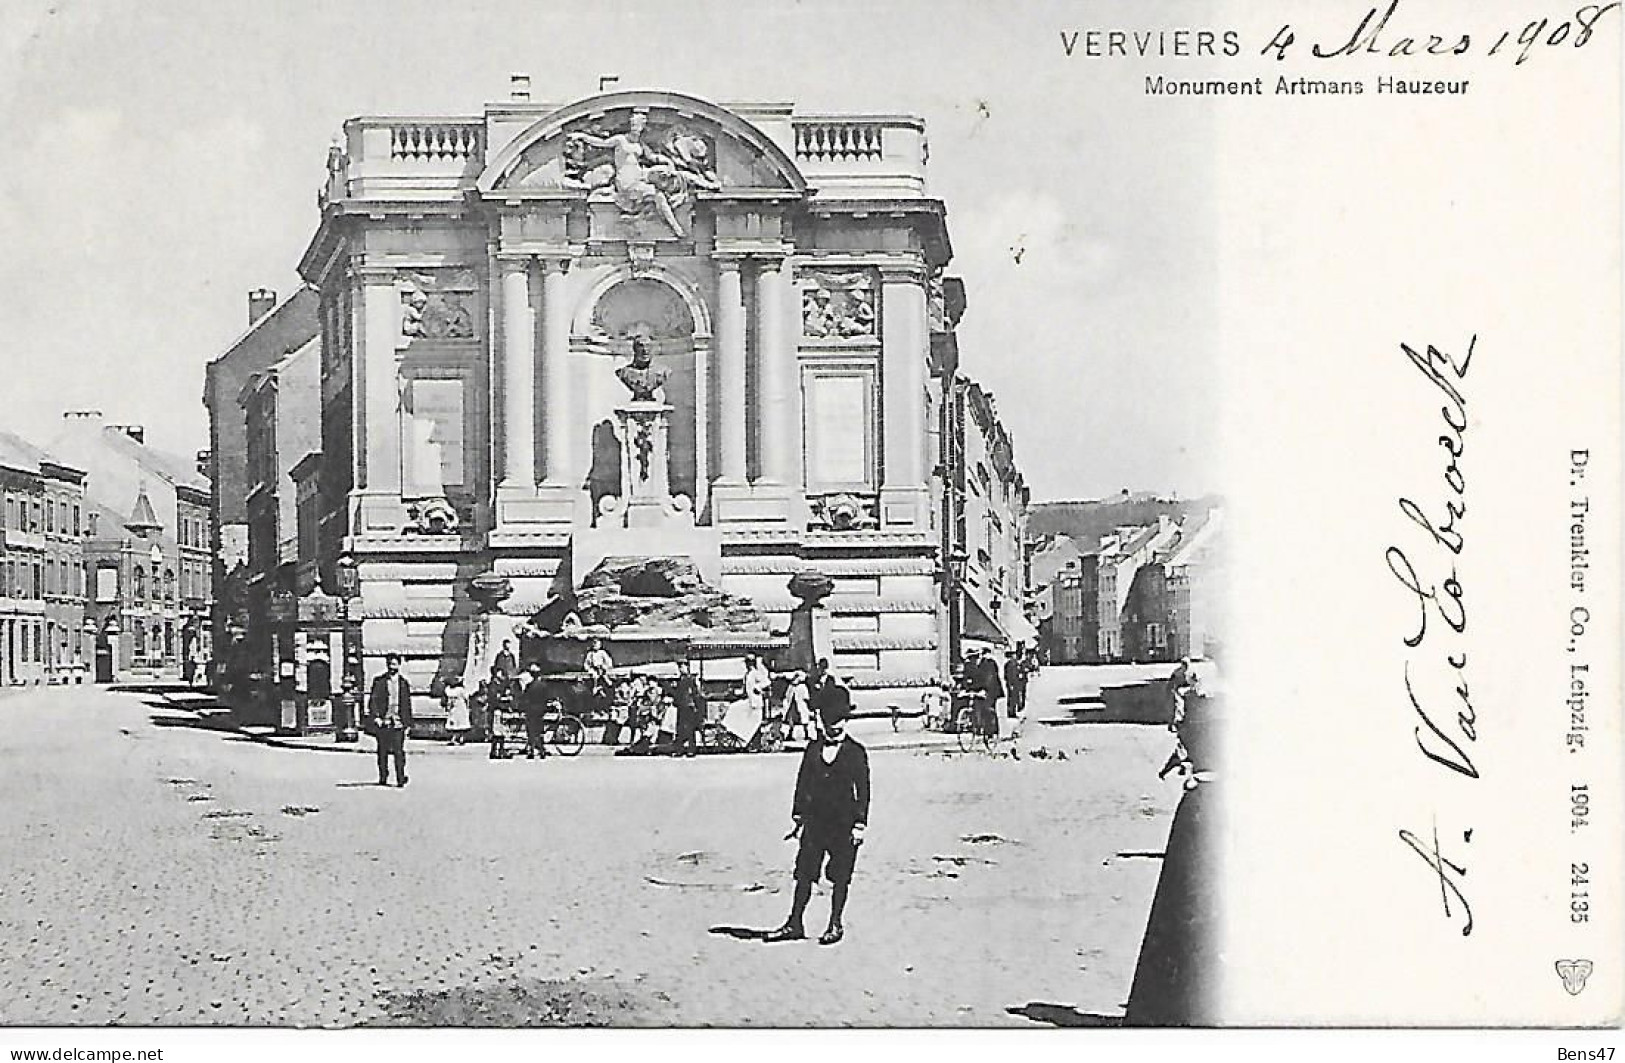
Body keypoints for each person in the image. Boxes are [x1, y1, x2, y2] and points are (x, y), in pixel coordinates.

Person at [764, 701, 871, 946]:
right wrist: (798, 814)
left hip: (843, 823)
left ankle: (835, 923)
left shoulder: (855, 751)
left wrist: (860, 824)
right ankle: (795, 922)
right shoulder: (813, 749)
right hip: (815, 822)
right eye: (828, 721)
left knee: (841, 875)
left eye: (838, 721)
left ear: (846, 720)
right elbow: (802, 783)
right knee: (804, 872)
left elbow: (863, 790)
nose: (833, 726)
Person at [366, 654, 413, 787]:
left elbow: (407, 704)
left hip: (398, 722)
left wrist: (408, 723)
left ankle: (400, 777)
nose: (392, 667)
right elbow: (373, 701)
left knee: (399, 751)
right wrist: (376, 717)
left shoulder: (403, 683)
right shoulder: (379, 681)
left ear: (399, 665)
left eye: (394, 664)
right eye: (389, 664)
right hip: (383, 721)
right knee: (382, 751)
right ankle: (383, 776)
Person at [672, 659, 705, 757]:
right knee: (680, 729)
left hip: (689, 706)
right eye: (680, 667)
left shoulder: (690, 679)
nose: (681, 669)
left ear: (687, 667)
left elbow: (695, 694)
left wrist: (696, 706)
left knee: (689, 729)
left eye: (682, 667)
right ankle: (680, 749)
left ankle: (690, 749)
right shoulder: (682, 679)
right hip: (683, 706)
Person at [521, 663, 551, 759]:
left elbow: (525, 698)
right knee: (538, 730)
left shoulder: (529, 686)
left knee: (531, 731)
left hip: (531, 710)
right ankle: (541, 751)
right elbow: (546, 698)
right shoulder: (543, 686)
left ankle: (532, 751)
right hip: (541, 710)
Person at [443, 676, 472, 745]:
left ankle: (461, 738)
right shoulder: (448, 689)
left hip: (460, 707)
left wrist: (468, 706)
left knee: (461, 722)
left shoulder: (460, 690)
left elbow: (466, 698)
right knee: (453, 722)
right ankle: (454, 738)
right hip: (454, 707)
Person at [1003, 644, 1029, 719]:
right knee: (1011, 698)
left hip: (1017, 683)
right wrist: (1009, 683)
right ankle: (1011, 712)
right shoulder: (1009, 664)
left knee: (1015, 697)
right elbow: (1007, 675)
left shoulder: (1015, 663)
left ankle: (1013, 711)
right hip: (1012, 683)